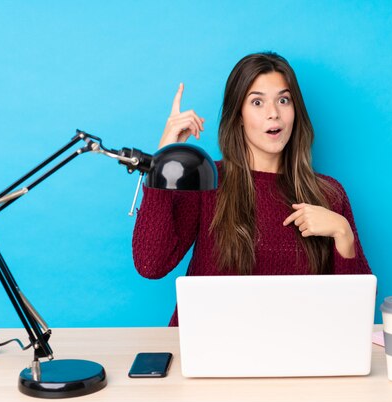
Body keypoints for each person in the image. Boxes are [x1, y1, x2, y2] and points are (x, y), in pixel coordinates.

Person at [132, 52, 371, 326]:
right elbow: (151, 265)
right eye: (257, 102)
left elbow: (355, 312)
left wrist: (343, 233)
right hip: (208, 347)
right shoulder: (207, 180)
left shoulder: (328, 194)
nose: (274, 113)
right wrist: (162, 161)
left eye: (284, 100)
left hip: (294, 354)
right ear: (239, 116)